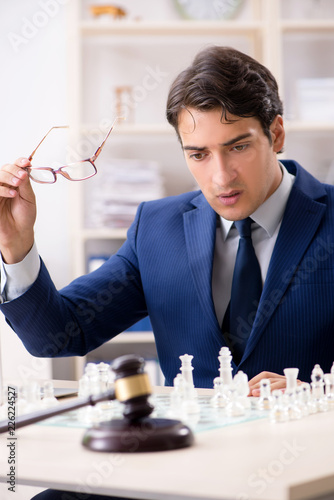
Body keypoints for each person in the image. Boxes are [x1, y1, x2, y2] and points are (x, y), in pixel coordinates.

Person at [1, 44, 334, 500]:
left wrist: (319, 393)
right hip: (177, 473)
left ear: (276, 134)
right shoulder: (156, 227)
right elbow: (57, 335)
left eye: (237, 147)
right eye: (198, 154)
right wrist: (16, 246)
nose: (220, 177)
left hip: (302, 474)